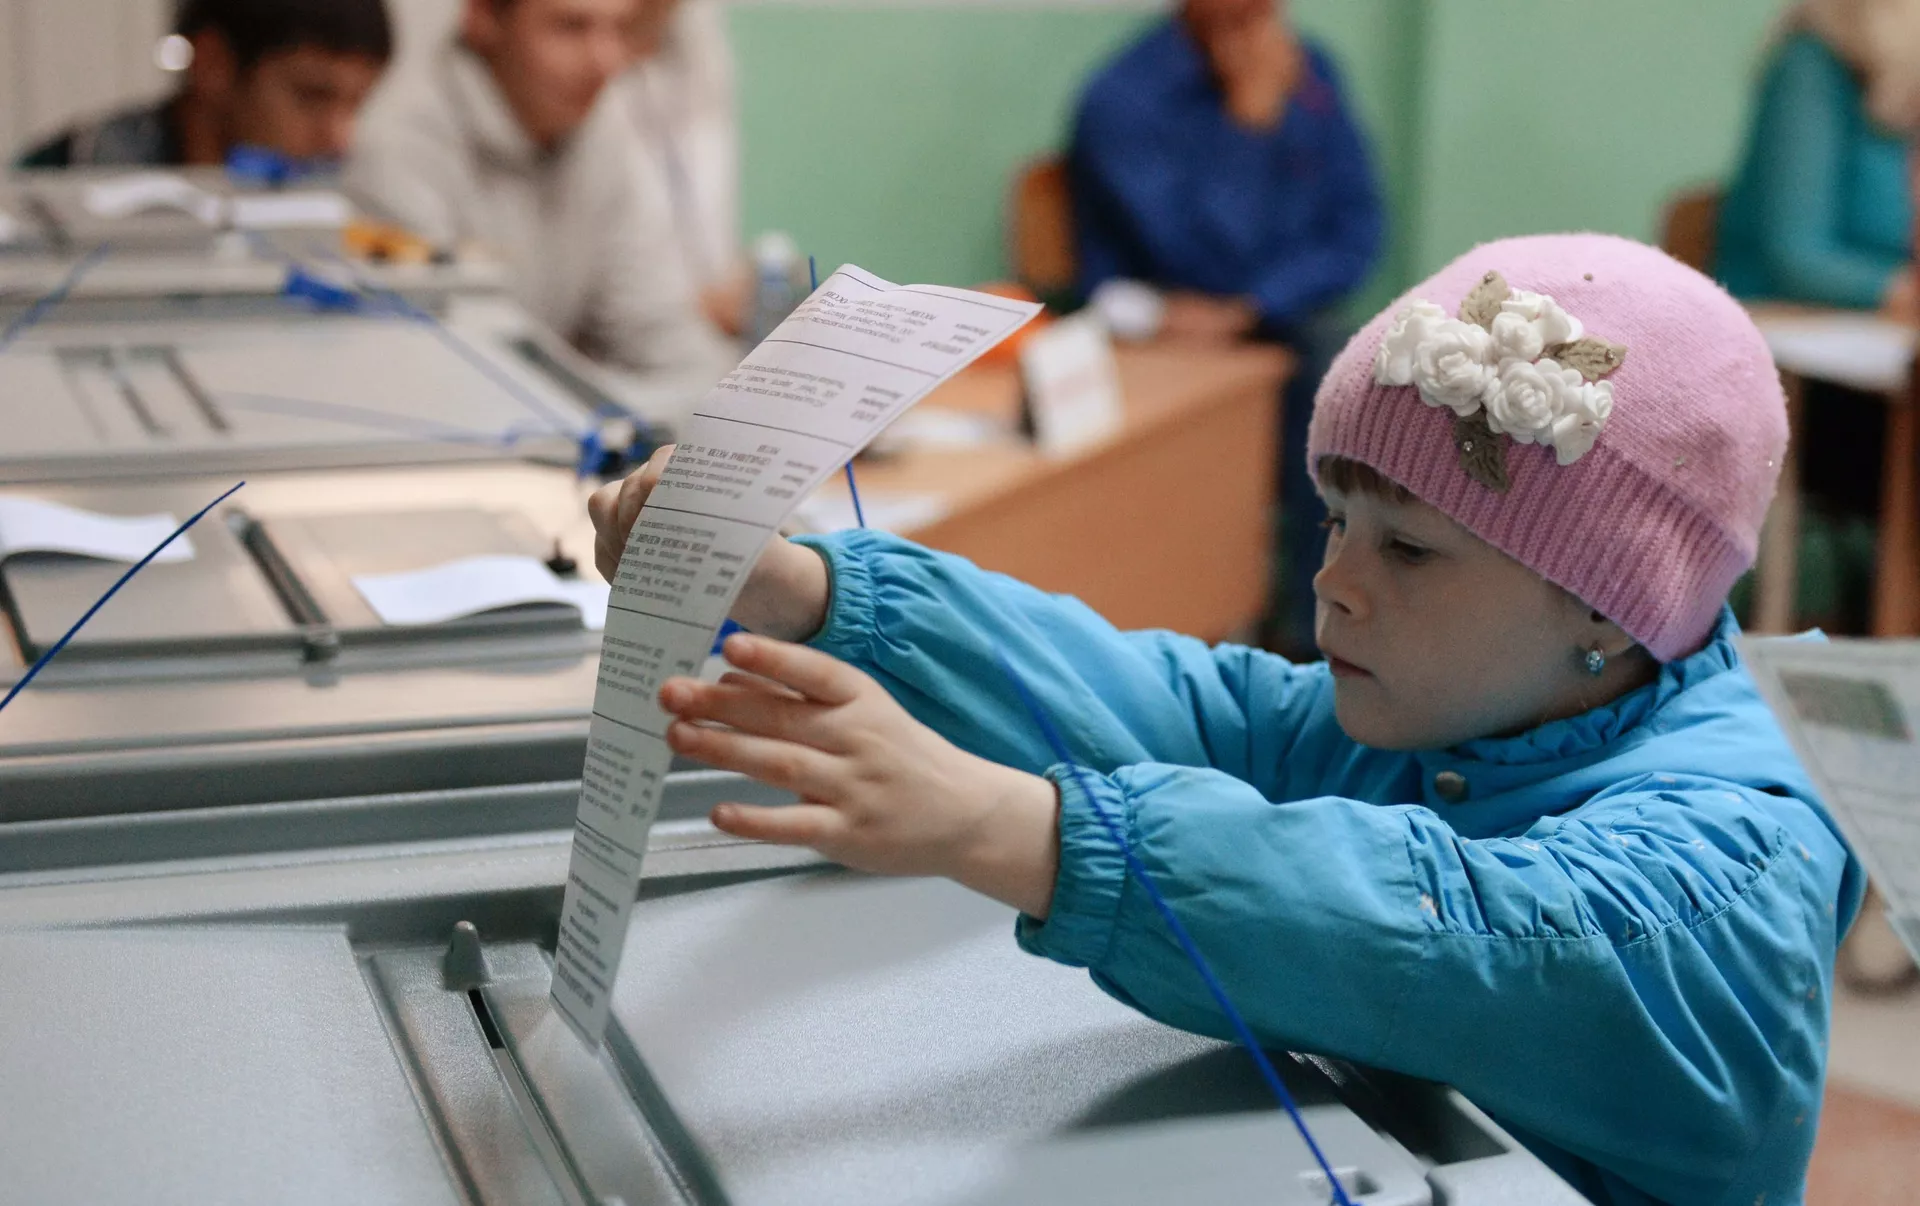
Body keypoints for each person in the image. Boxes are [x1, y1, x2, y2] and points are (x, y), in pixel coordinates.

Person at [591, 234, 1862, 1206]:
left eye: (1408, 549)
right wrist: (814, 591)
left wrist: (1023, 831)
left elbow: (1470, 933)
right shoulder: (1459, 708)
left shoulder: (1733, 863)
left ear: (1610, 606)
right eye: (1337, 520)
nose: (1334, 582)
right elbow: (1175, 704)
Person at [1066, 0, 1383, 660]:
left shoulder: (1307, 68)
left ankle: (1324, 627)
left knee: (1356, 369)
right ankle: (1290, 646)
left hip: (1266, 325)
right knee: (1307, 379)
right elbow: (1205, 264)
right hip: (1154, 332)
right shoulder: (1126, 97)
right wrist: (1250, 126)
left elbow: (1358, 231)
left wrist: (1256, 304)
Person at [348, 0, 729, 378]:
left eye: (618, 29)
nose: (607, 61)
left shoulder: (599, 133)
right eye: (571, 27)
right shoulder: (398, 149)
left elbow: (667, 340)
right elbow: (449, 372)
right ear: (482, 17)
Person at [16, 0, 391, 171]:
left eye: (356, 104)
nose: (339, 139)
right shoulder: (63, 177)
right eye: (311, 97)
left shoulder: (334, 196)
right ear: (213, 63)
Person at [1718, 0, 1920, 316]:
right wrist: (1904, 291)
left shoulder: (1906, 87)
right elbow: (1796, 258)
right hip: (1787, 322)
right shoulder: (1810, 63)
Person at [620, 0, 746, 335]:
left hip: (696, 330)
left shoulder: (699, 38)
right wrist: (691, 308)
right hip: (629, 332)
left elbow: (704, 203)